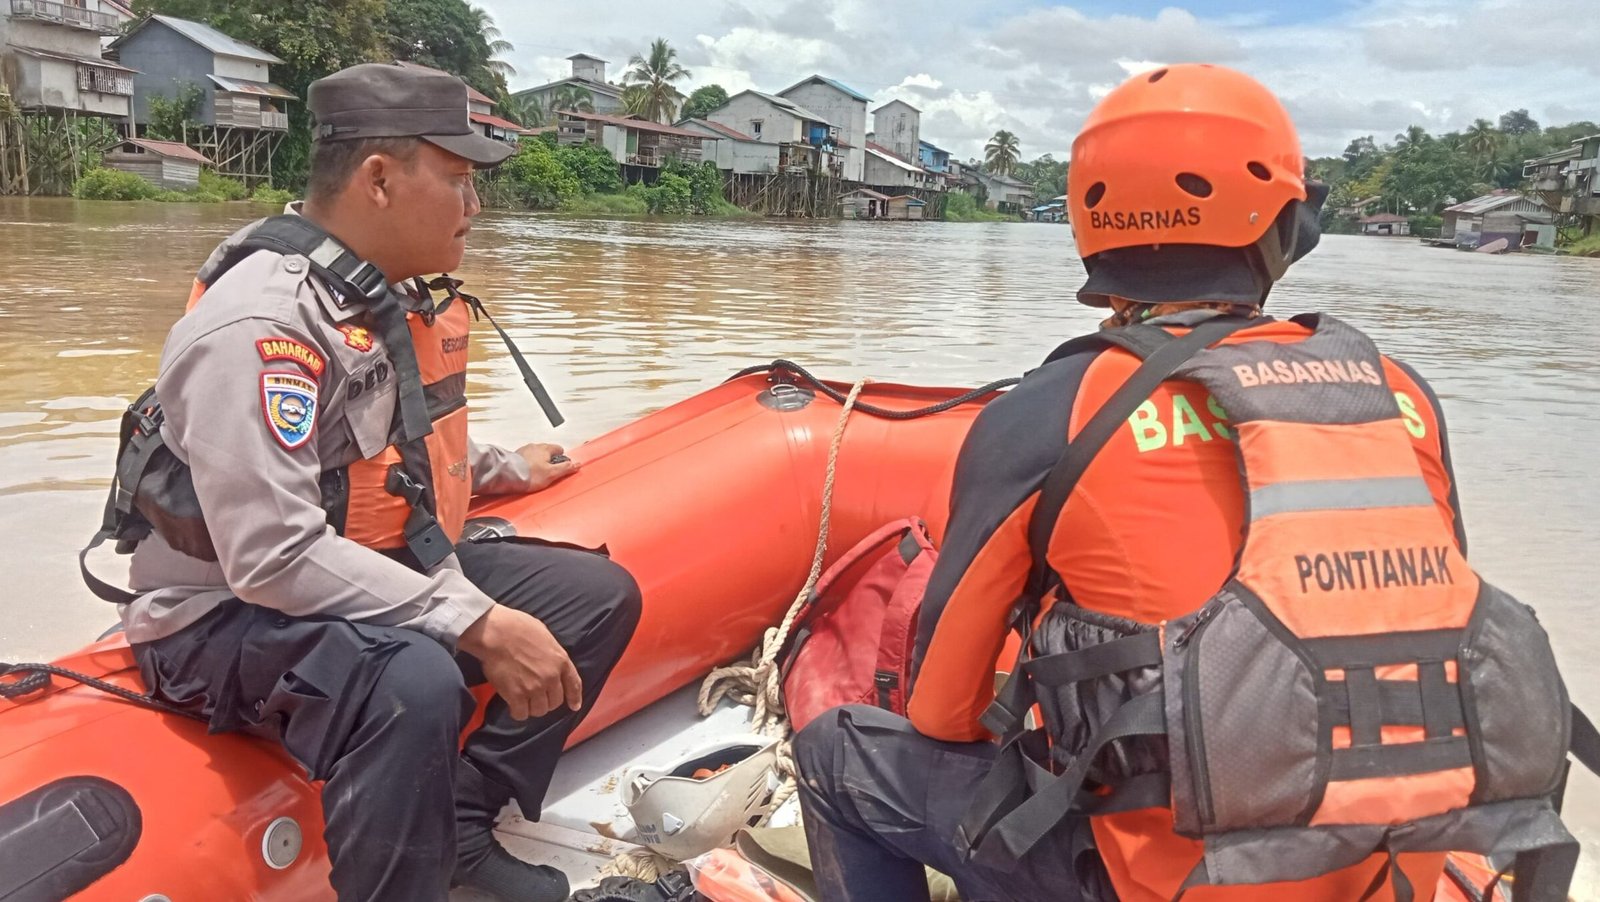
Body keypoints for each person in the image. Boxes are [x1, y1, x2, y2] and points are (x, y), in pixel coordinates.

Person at [793, 64, 1576, 902]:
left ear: (1093, 226)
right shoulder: (1399, 396)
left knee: (836, 753)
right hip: (1396, 869)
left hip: (1158, 883)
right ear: (1280, 228)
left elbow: (945, 713)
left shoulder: (1052, 410)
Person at [112, 63, 641, 902]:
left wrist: (501, 469)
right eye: (461, 181)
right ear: (380, 180)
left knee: (595, 596)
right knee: (413, 679)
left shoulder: (367, 290)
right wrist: (478, 622)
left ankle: (465, 823)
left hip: (356, 560)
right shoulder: (262, 323)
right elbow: (273, 555)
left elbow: (380, 452)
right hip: (221, 614)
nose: (477, 209)